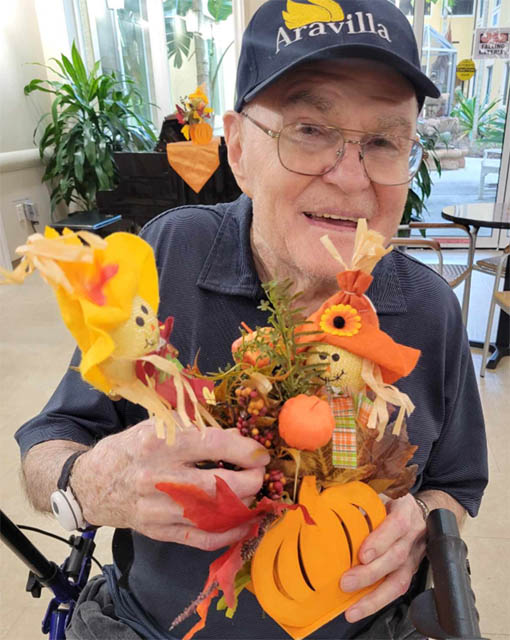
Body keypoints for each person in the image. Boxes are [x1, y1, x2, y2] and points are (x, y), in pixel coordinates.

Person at [16, 1, 488, 638]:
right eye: (309, 130)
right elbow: (49, 444)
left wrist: (425, 523)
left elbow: (457, 483)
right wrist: (92, 485)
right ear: (238, 149)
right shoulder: (169, 254)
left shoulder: (430, 310)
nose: (351, 178)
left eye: (383, 141)